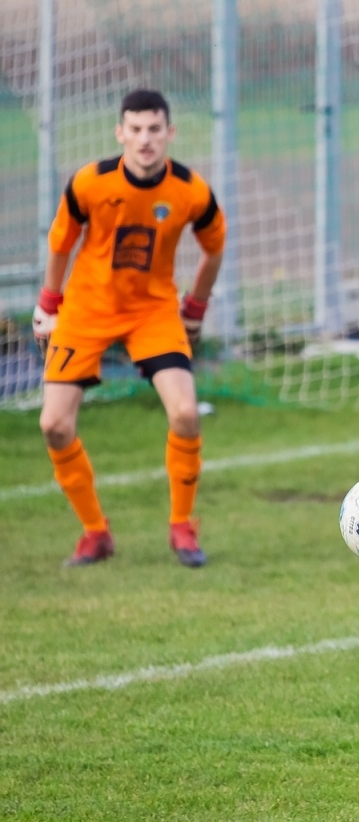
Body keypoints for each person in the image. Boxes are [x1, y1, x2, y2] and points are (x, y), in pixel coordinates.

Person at [31, 88, 226, 568]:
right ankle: (95, 533)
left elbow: (214, 248)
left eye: (154, 130)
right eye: (135, 130)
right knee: (54, 424)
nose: (145, 140)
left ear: (170, 134)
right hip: (87, 309)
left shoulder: (191, 190)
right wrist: (48, 305)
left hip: (153, 311)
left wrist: (195, 308)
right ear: (120, 133)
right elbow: (60, 244)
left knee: (185, 413)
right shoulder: (89, 183)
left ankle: (182, 527)